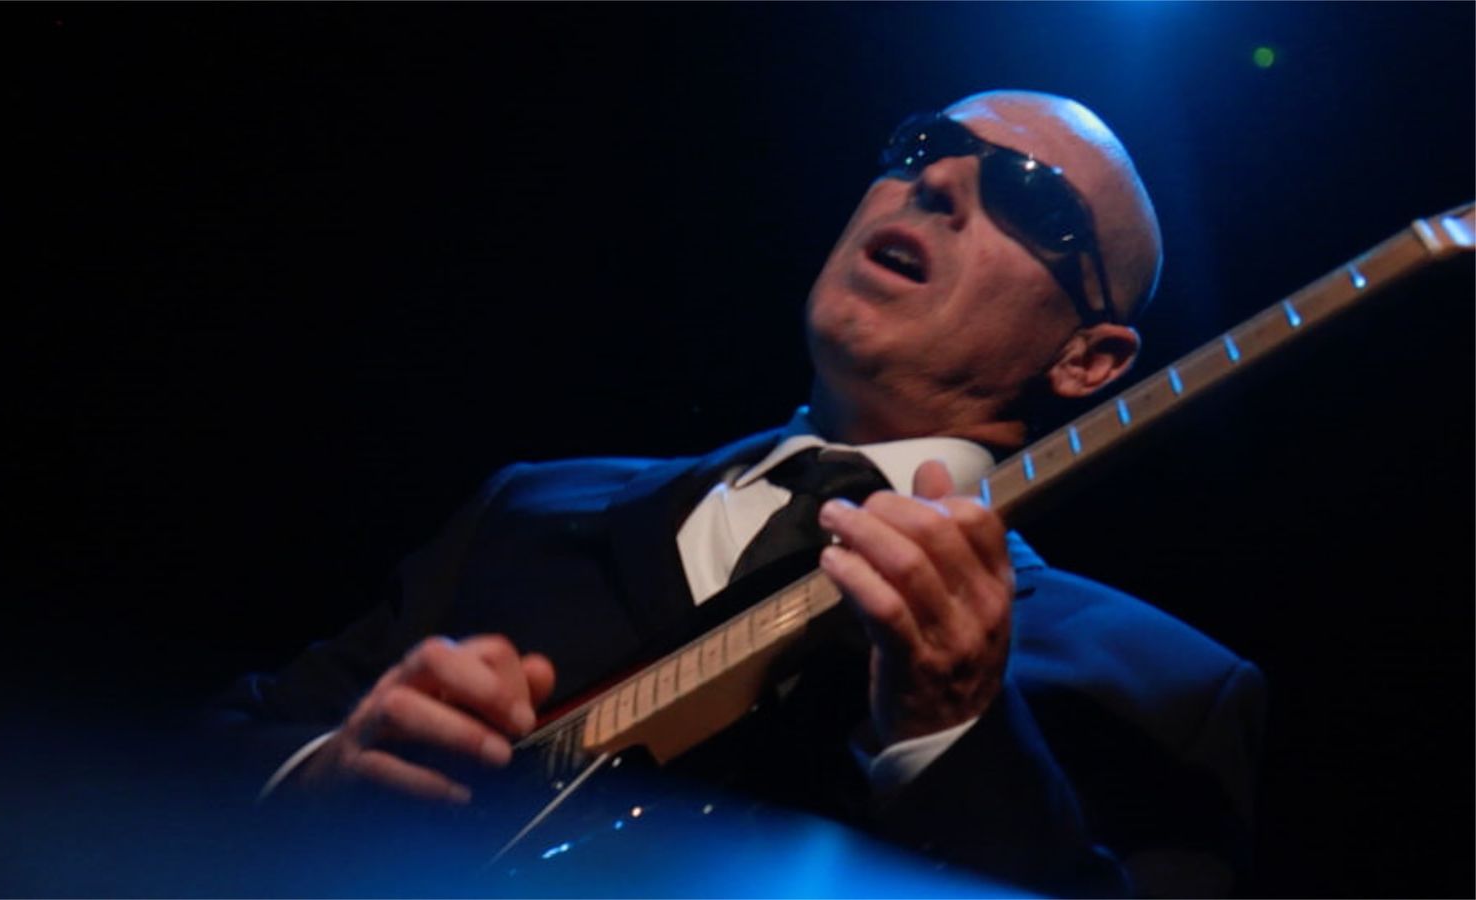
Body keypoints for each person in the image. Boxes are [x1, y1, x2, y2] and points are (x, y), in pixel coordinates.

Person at [215, 90, 1265, 897]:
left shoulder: (1164, 693)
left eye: (1028, 195)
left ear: (1088, 359)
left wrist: (953, 735)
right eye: (921, 146)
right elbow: (201, 755)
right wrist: (329, 775)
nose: (938, 179)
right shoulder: (528, 510)